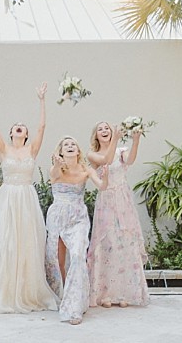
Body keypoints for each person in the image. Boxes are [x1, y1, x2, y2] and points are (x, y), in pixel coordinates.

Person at [0, 82, 58, 313]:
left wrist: (42, 101)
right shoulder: (4, 149)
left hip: (27, 199)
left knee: (28, 244)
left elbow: (42, 126)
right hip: (8, 199)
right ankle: (6, 292)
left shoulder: (32, 149)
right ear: (12, 133)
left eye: (23, 126)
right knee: (8, 243)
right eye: (16, 127)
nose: (20, 128)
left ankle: (28, 292)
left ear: (26, 134)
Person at [45, 136, 107, 325]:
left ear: (78, 151)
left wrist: (107, 172)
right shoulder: (56, 168)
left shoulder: (86, 169)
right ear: (61, 152)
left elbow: (102, 186)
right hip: (58, 216)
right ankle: (64, 295)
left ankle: (74, 306)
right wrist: (57, 163)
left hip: (78, 218)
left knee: (79, 256)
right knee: (58, 261)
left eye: (73, 144)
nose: (70, 146)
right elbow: (54, 175)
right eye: (66, 145)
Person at [87, 121, 149, 308]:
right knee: (108, 243)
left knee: (125, 242)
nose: (105, 131)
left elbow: (129, 160)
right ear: (96, 135)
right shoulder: (92, 154)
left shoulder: (120, 149)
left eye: (107, 128)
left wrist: (136, 141)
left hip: (122, 198)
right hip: (106, 199)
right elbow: (105, 160)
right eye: (101, 129)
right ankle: (105, 294)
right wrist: (115, 136)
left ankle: (125, 293)